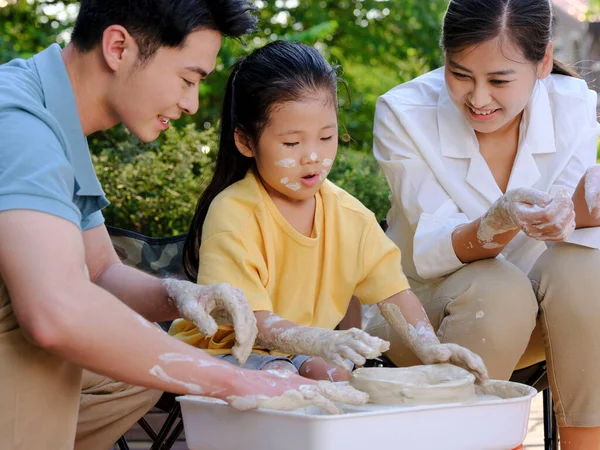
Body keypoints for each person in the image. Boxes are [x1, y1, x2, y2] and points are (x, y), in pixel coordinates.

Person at [0, 2, 358, 449]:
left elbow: (99, 273)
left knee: (137, 364)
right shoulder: (18, 124)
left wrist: (183, 296)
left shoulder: (55, 126)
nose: (191, 104)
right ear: (117, 47)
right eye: (187, 80)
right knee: (50, 334)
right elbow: (56, 313)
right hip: (31, 334)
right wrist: (234, 380)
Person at [169, 41, 488, 385]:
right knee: (283, 376)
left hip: (298, 353)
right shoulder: (234, 213)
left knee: (341, 379)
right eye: (292, 143)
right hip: (221, 353)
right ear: (246, 141)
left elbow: (393, 292)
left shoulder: (349, 216)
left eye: (326, 137)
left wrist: (431, 348)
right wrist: (322, 340)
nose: (312, 156)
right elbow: (252, 322)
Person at [366, 0, 600, 448]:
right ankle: (480, 439)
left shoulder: (573, 106)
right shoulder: (403, 114)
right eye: (460, 75)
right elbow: (434, 250)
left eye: (499, 80)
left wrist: (588, 203)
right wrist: (502, 217)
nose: (478, 98)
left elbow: (570, 227)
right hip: (423, 314)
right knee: (498, 289)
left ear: (544, 61)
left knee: (588, 267)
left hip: (537, 318)